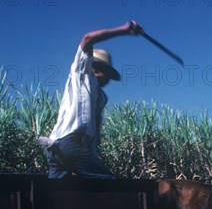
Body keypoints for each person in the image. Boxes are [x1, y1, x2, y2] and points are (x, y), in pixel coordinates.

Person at [42, 20, 144, 178]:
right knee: (108, 183)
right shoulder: (82, 74)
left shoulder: (100, 97)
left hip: (61, 149)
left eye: (109, 74)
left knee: (59, 193)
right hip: (67, 144)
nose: (107, 78)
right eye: (104, 71)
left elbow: (94, 132)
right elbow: (88, 38)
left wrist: (92, 157)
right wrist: (124, 30)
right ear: (94, 68)